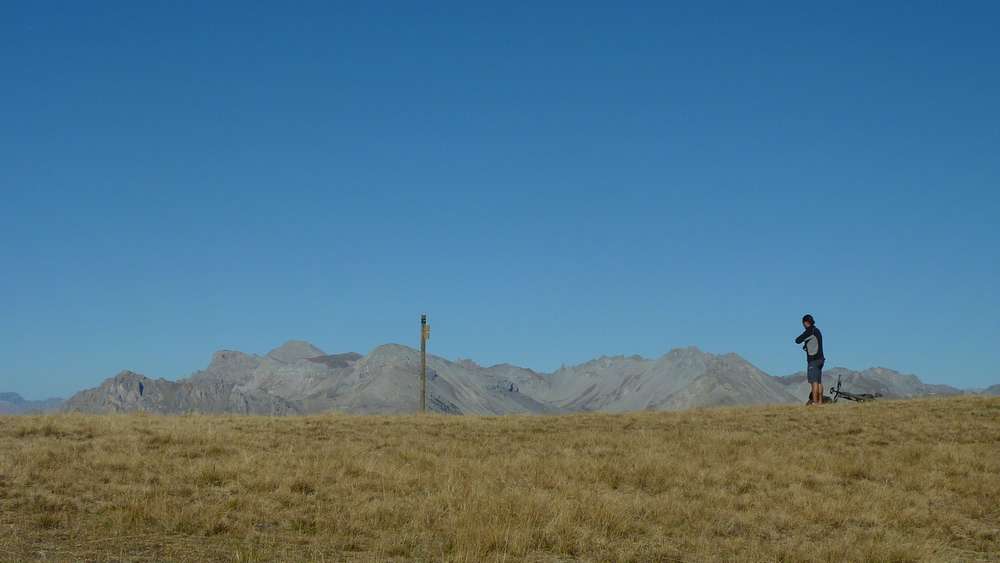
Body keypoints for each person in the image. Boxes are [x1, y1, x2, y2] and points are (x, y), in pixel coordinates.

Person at [795, 314, 825, 405]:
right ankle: (820, 401)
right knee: (819, 381)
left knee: (813, 381)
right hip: (821, 359)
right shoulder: (817, 330)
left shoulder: (809, 331)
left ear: (805, 323)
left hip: (813, 360)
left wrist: (804, 340)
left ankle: (815, 402)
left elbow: (798, 340)